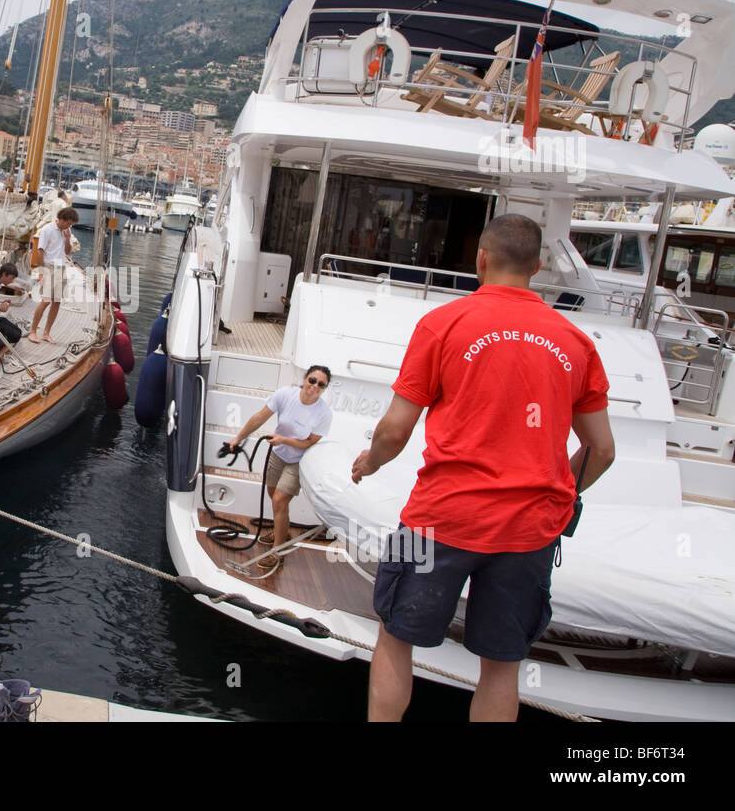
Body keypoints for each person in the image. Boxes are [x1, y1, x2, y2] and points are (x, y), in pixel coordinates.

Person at [350, 214, 615, 722]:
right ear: (537, 267)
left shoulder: (442, 324)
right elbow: (601, 450)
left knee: (394, 635)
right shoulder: (577, 344)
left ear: (482, 260)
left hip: (436, 520)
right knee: (502, 665)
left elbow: (394, 429)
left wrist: (371, 462)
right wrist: (562, 497)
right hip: (531, 530)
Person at [227, 365, 333, 571]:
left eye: (321, 385)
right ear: (304, 378)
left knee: (279, 500)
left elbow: (308, 443)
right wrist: (239, 438)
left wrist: (284, 439)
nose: (315, 387)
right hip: (278, 455)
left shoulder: (324, 414)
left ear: (324, 388)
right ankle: (281, 531)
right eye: (312, 380)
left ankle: (278, 552)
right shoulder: (286, 395)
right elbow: (259, 417)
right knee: (273, 494)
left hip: (298, 460)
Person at [29, 206, 79, 344]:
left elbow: (67, 252)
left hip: (61, 267)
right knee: (45, 301)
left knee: (57, 301)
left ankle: (46, 333)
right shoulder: (47, 230)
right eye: (69, 223)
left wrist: (68, 239)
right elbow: (39, 251)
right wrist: (41, 271)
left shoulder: (66, 231)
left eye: (71, 224)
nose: (70, 226)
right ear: (62, 219)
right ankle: (33, 331)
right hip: (49, 268)